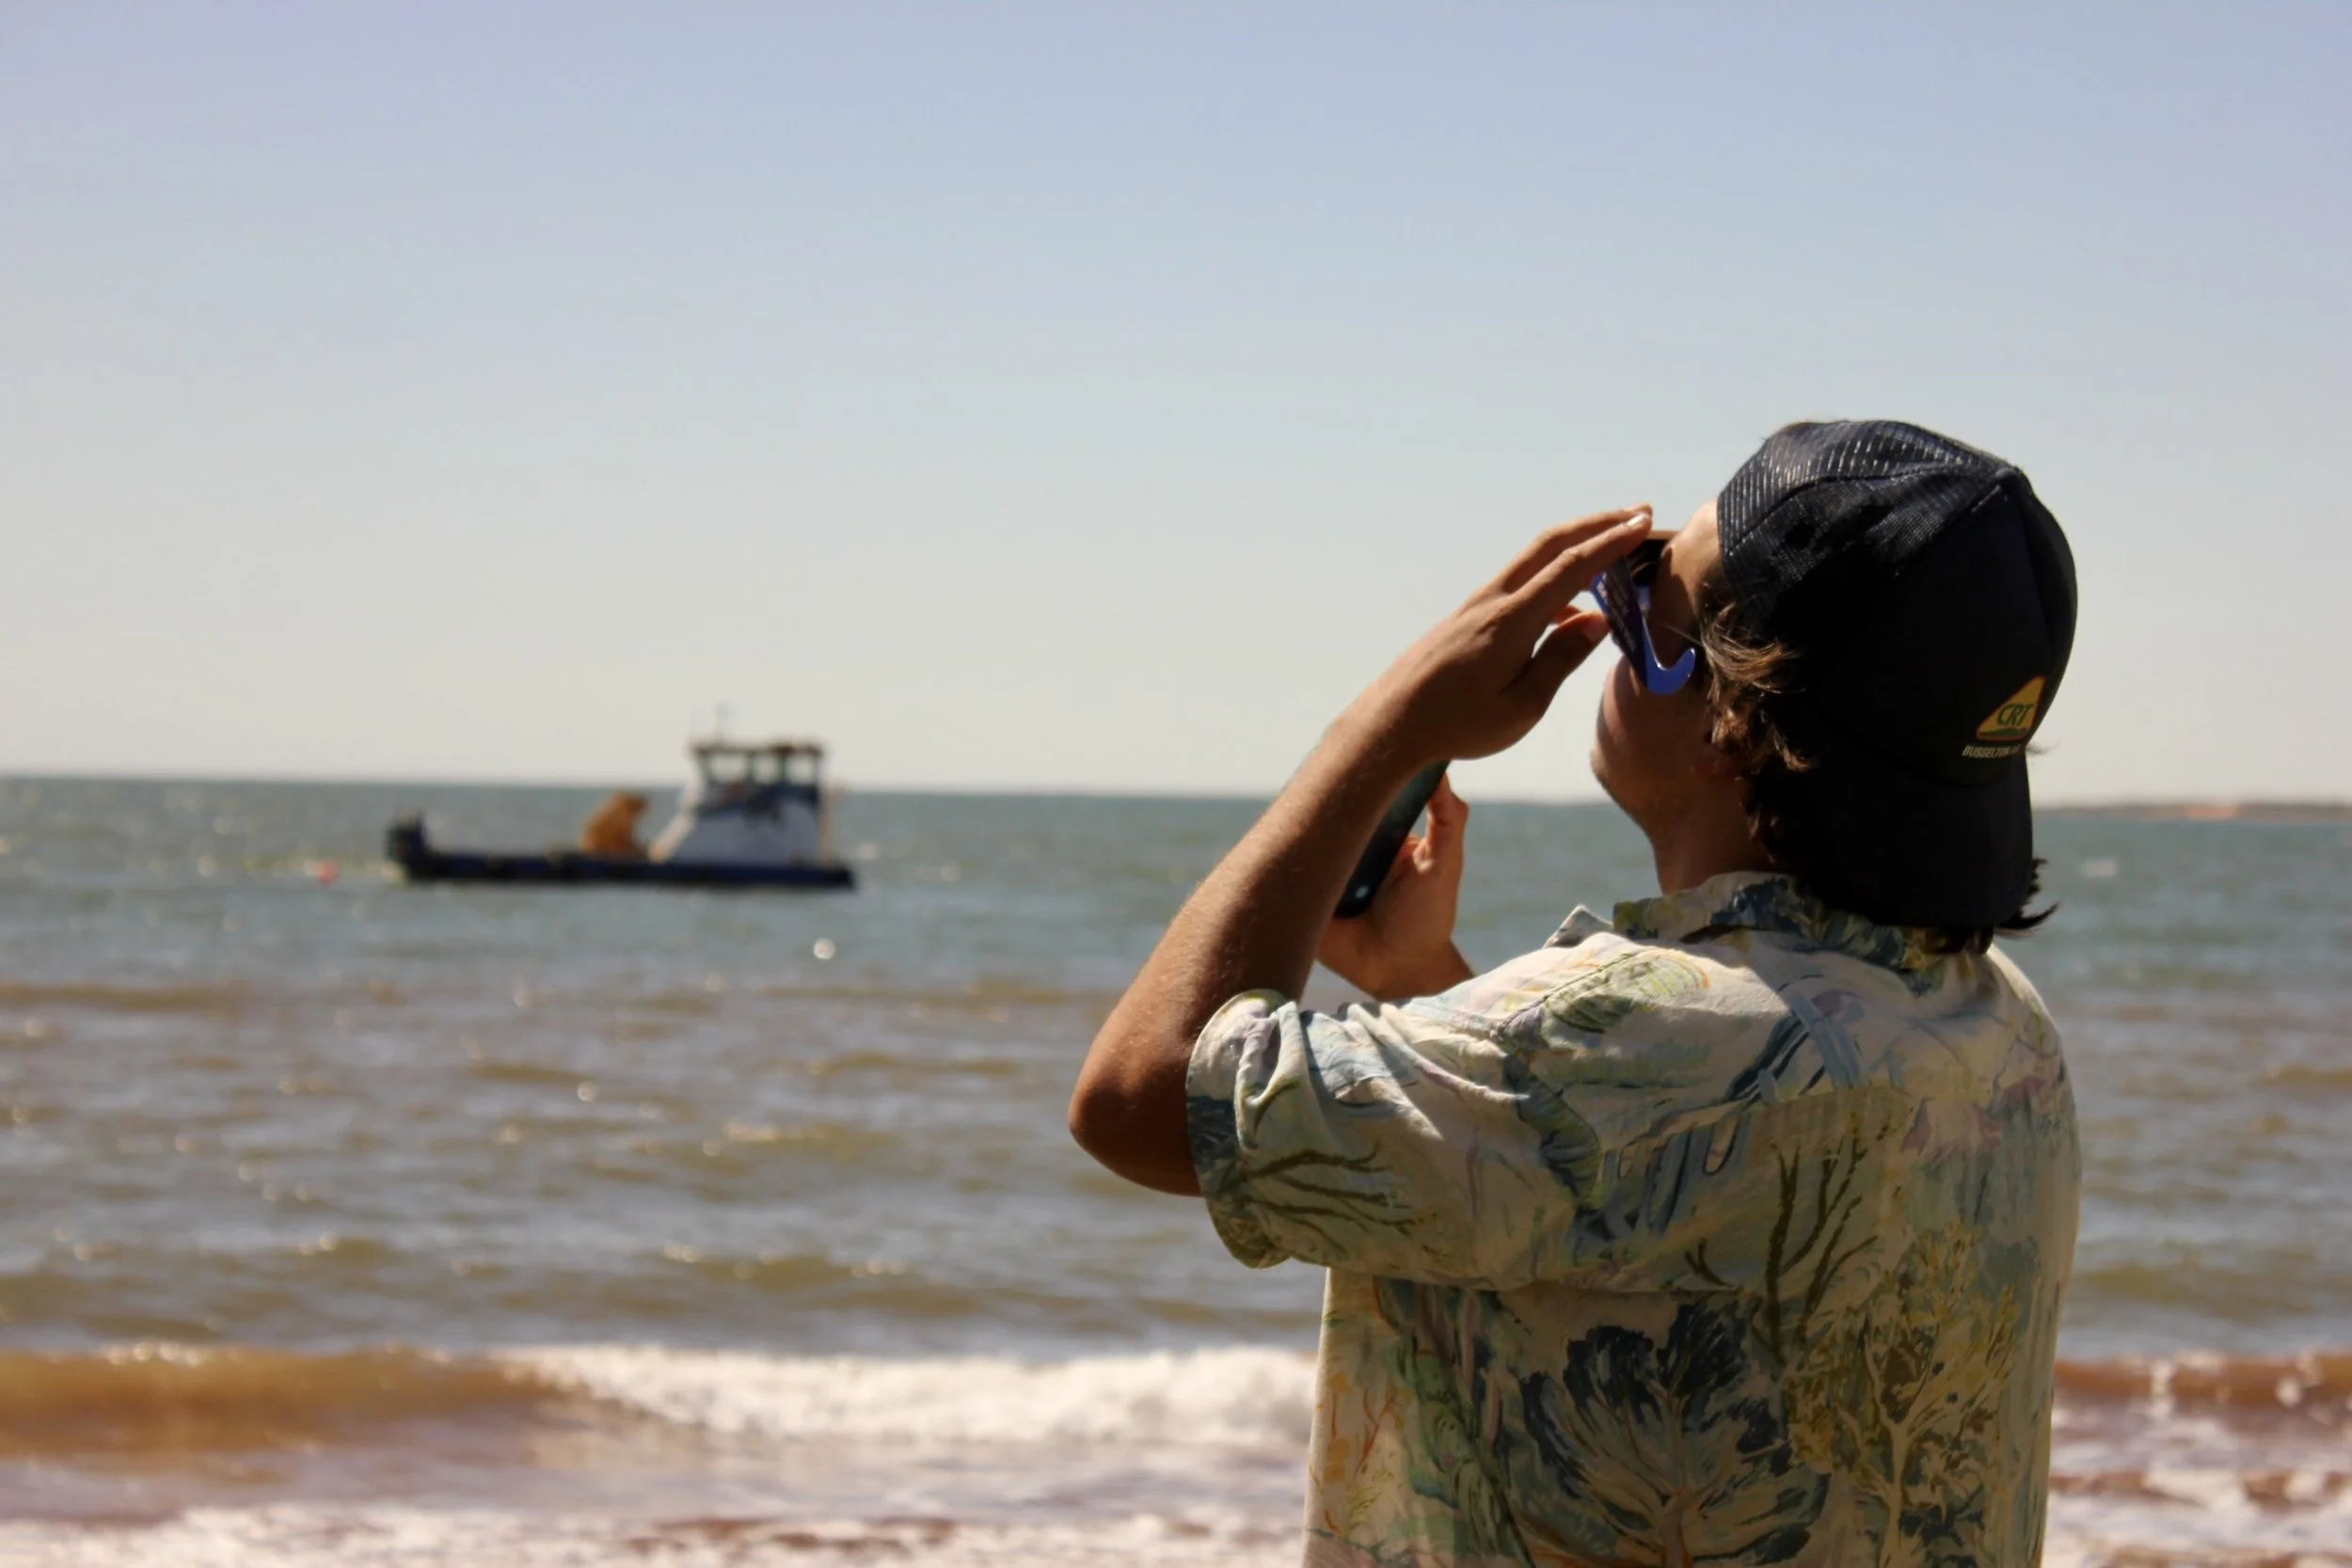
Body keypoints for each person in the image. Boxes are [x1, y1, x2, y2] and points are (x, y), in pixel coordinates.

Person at [1070, 420, 2080, 1566]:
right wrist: (1419, 984)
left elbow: (1138, 1098)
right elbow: (1635, 1188)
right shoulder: (1996, 1022)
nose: (1609, 616)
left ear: (1730, 715)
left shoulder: (1635, 1045)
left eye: (1644, 595)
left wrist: (1387, 724)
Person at [579, 790, 650, 859]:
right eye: (632, 812)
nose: (633, 819)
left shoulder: (625, 836)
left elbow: (636, 852)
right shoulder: (597, 830)